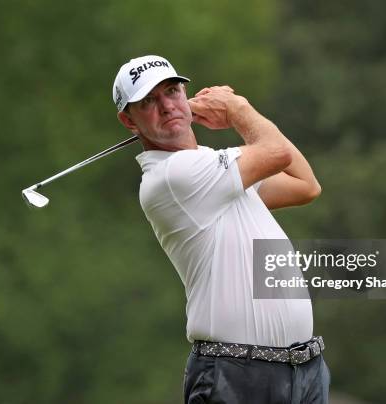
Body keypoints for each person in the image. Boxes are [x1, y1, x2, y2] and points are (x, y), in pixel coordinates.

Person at [113, 55, 329, 403]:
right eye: (149, 101)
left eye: (172, 92)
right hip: (236, 374)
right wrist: (238, 109)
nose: (166, 106)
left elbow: (305, 185)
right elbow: (276, 152)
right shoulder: (173, 176)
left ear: (186, 96)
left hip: (303, 370)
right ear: (129, 120)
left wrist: (236, 113)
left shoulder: (214, 167)